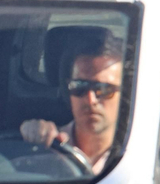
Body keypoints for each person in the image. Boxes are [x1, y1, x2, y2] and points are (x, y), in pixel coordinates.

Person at [21, 33, 126, 172]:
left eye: (103, 89)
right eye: (79, 86)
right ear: (67, 89)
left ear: (124, 93)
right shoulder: (48, 145)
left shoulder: (140, 158)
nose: (90, 100)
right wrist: (29, 138)